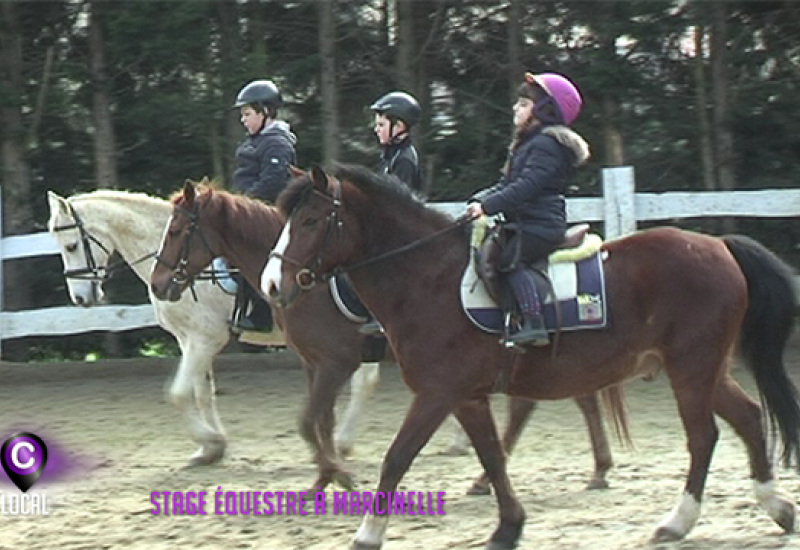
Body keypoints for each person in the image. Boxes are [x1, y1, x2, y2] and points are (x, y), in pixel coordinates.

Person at [465, 72, 590, 346]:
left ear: (544, 110)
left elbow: (527, 186)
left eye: (523, 103)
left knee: (510, 260)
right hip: (524, 223)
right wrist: (479, 199)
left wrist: (488, 206)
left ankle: (533, 322)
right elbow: (505, 183)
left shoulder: (547, 145)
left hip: (541, 225)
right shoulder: (527, 144)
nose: (515, 108)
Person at [229, 78, 297, 332]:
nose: (243, 120)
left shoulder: (277, 143)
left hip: (270, 211)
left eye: (247, 114)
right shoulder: (254, 142)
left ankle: (261, 314)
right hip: (252, 207)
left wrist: (243, 205)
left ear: (265, 112)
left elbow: (273, 182)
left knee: (253, 252)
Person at [358, 90, 424, 335]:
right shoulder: (390, 157)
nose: (376, 129)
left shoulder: (405, 159)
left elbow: (396, 204)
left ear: (399, 126)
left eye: (381, 124)